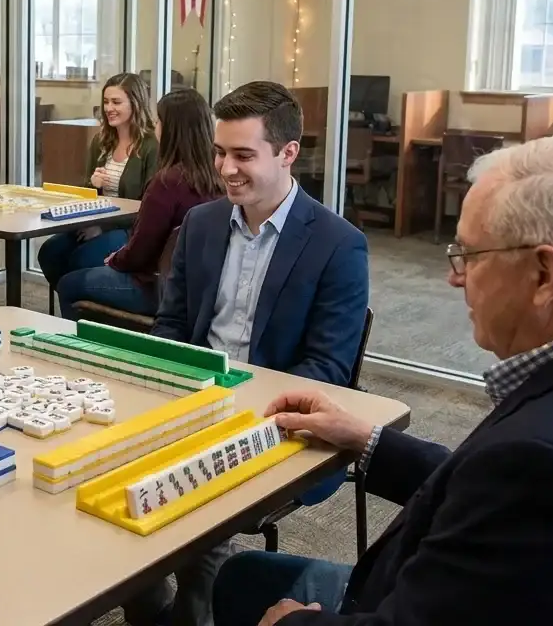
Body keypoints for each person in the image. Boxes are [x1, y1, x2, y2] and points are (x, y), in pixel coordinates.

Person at [214, 136, 553, 626]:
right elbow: (488, 492)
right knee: (244, 576)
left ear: (544, 275)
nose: (455, 277)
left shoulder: (544, 465)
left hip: (395, 598)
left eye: (470, 255)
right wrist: (366, 439)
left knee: (247, 587)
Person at [125, 81, 370, 626]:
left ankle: (193, 613)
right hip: (196, 400)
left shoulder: (337, 244)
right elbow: (172, 326)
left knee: (200, 501)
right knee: (112, 473)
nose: (225, 168)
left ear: (287, 153)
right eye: (219, 153)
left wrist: (235, 412)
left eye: (242, 155)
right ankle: (152, 607)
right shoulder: (202, 223)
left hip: (280, 420)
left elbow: (326, 371)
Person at [55, 87, 223, 321]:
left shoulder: (167, 183)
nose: (155, 126)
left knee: (68, 283)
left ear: (170, 129)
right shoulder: (219, 178)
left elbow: (141, 251)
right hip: (201, 287)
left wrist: (116, 259)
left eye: (159, 121)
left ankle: (83, 342)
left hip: (157, 286)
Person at [38, 71, 160, 295]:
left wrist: (103, 227)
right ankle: (75, 302)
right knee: (50, 252)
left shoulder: (151, 146)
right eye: (106, 102)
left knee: (82, 259)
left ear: (135, 104)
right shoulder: (101, 141)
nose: (109, 108)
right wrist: (92, 184)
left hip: (129, 229)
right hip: (95, 222)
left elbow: (148, 208)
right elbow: (86, 194)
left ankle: (80, 300)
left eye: (116, 102)